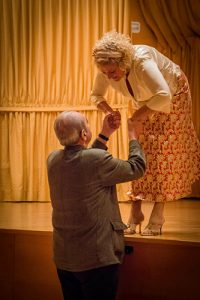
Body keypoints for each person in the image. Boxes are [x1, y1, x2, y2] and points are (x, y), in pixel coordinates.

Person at [91, 31, 200, 236]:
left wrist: (137, 116)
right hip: (145, 99)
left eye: (113, 72)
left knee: (162, 153)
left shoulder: (142, 61)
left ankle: (158, 215)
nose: (110, 77)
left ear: (123, 61)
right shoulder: (107, 67)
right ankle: (136, 211)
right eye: (105, 73)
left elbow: (163, 95)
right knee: (139, 148)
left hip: (173, 94)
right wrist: (109, 110)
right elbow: (95, 94)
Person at [47, 110, 146, 300]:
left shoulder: (52, 160)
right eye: (87, 123)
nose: (89, 127)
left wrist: (104, 134)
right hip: (96, 259)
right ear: (84, 134)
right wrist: (133, 137)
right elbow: (137, 168)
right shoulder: (95, 161)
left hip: (64, 259)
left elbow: (87, 162)